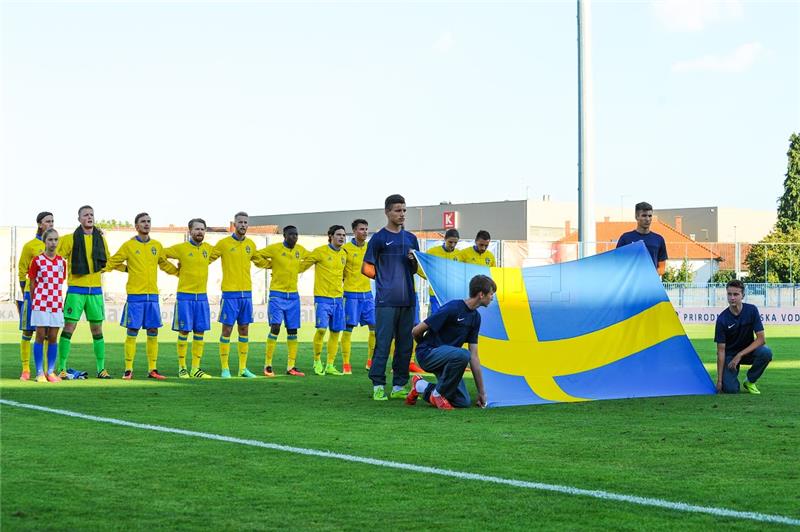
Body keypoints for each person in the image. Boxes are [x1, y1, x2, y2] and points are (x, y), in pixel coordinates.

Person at [104, 213, 178, 380]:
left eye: (148, 221)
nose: (146, 224)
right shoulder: (128, 246)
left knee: (153, 331)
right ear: (136, 226)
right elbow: (113, 262)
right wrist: (105, 268)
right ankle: (128, 369)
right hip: (135, 296)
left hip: (152, 296)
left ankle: (153, 369)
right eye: (143, 222)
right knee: (132, 331)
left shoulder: (156, 245)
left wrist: (179, 272)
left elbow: (164, 264)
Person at [362, 194, 420, 401]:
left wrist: (413, 262)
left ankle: (399, 385)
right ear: (387, 212)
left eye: (404, 210)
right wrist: (384, 279)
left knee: (405, 345)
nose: (402, 214)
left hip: (408, 299)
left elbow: (415, 269)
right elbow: (366, 268)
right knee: (383, 343)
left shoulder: (411, 239)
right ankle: (378, 385)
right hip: (386, 301)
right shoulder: (378, 238)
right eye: (397, 210)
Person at [406, 275, 494, 410]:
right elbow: (416, 331)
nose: (492, 298)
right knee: (463, 354)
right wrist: (424, 346)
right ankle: (437, 394)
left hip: (449, 361)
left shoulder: (476, 318)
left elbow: (474, 357)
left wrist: (482, 393)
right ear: (481, 295)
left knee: (462, 401)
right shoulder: (453, 308)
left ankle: (420, 385)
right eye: (491, 294)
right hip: (428, 354)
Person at [208, 212, 270, 378]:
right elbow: (207, 258)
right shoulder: (224, 243)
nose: (243, 225)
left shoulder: (250, 244)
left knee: (244, 329)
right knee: (227, 330)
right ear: (234, 225)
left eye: (245, 222)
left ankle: (243, 368)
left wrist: (276, 265)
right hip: (230, 294)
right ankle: (225, 368)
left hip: (247, 295)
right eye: (240, 222)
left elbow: (259, 260)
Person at [56, 205, 115, 379]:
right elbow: (56, 259)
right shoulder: (69, 239)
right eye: (85, 215)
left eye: (91, 215)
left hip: (95, 292)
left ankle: (101, 369)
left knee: (97, 330)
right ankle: (62, 368)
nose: (89, 217)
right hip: (75, 291)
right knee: (69, 328)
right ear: (79, 219)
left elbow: (107, 261)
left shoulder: (100, 239)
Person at [164, 218, 214, 379]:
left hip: (202, 297)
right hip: (185, 296)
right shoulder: (181, 248)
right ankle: (182, 367)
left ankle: (196, 368)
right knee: (184, 331)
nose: (200, 232)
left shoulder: (208, 249)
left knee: (200, 332)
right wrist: (174, 271)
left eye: (202, 229)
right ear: (190, 231)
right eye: (197, 229)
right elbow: (160, 255)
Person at [258, 225, 308, 377]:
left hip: (293, 296)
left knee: (293, 330)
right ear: (284, 236)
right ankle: (267, 365)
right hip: (277, 295)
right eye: (291, 234)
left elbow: (312, 258)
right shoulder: (274, 249)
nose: (294, 237)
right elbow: (257, 255)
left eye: (296, 234)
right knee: (275, 327)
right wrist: (270, 265)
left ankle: (291, 366)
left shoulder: (300, 250)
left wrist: (300, 268)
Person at [300, 225, 347, 376]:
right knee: (321, 329)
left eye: (343, 235)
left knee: (335, 332)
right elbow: (302, 266)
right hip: (322, 298)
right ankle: (317, 361)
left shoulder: (343, 254)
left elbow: (344, 274)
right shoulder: (320, 252)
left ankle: (330, 365)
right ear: (331, 236)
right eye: (338, 235)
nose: (341, 237)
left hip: (338, 299)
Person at [715, 280, 772, 394]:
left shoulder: (751, 310)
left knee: (766, 352)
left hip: (747, 353)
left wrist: (740, 355)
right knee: (730, 390)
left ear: (743, 295)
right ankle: (729, 383)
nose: (732, 298)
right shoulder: (722, 319)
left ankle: (750, 381)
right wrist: (720, 381)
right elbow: (720, 351)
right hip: (730, 356)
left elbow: (761, 339)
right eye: (729, 294)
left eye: (736, 294)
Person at [17, 211, 54, 381]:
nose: (51, 224)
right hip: (32, 296)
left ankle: (46, 370)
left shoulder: (55, 246)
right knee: (27, 331)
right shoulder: (30, 246)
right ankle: (26, 369)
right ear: (40, 224)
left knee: (47, 333)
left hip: (49, 298)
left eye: (52, 221)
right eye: (48, 221)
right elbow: (22, 270)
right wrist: (28, 293)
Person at [27, 228, 67, 383]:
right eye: (50, 240)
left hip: (56, 304)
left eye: (56, 239)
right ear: (44, 242)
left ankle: (50, 371)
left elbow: (60, 283)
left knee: (53, 337)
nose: (53, 243)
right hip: (41, 303)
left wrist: (58, 301)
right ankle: (39, 372)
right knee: (39, 335)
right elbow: (32, 283)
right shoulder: (37, 261)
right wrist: (35, 301)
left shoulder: (61, 262)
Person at [341, 219, 376, 374]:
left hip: (367, 294)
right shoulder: (346, 249)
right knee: (348, 328)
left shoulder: (370, 248)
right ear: (354, 231)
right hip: (350, 294)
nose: (365, 232)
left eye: (366, 229)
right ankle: (346, 363)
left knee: (374, 328)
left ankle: (370, 361)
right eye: (362, 229)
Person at [616, 201, 667, 276]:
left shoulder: (659, 239)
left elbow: (662, 269)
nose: (647, 219)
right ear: (636, 217)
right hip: (631, 285)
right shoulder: (625, 238)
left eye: (650, 216)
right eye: (644, 215)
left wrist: (648, 276)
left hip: (650, 285)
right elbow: (617, 264)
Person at [422, 228, 460, 316]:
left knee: (450, 320)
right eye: (450, 242)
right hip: (436, 293)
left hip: (452, 294)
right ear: (445, 239)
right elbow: (421, 268)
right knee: (435, 319)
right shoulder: (432, 252)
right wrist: (431, 278)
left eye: (455, 243)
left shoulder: (459, 254)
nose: (453, 245)